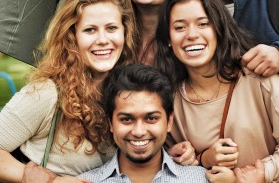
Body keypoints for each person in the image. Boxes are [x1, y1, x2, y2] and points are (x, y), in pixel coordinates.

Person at [154, 0, 279, 182]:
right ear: (168, 39)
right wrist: (199, 158)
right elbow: (166, 166)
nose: (192, 35)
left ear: (219, 29)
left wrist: (256, 174)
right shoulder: (170, 99)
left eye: (203, 24)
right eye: (180, 27)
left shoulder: (256, 78)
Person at [0, 0, 137, 182]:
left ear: (124, 33)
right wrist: (49, 181)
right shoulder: (47, 93)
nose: (103, 39)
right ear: (71, 37)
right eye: (90, 30)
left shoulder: (126, 94)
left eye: (111, 28)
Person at [78, 63, 208, 183]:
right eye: (126, 119)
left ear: (169, 121)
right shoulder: (84, 182)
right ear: (111, 123)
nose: (139, 132)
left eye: (151, 118)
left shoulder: (201, 179)